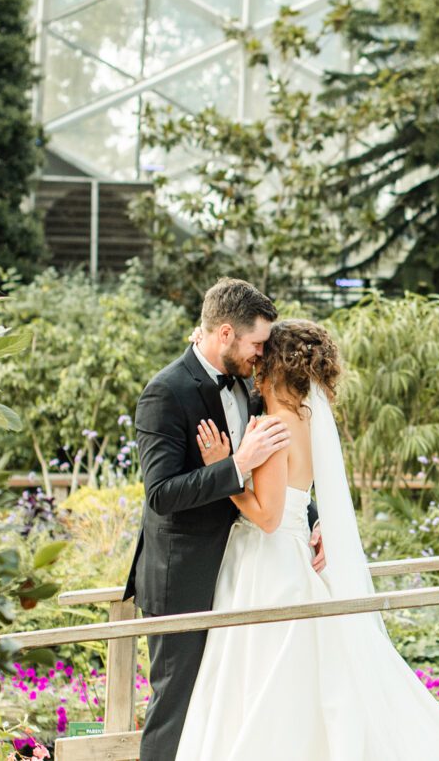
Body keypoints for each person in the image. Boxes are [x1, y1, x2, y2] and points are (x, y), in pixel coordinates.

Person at [173, 318, 439, 760]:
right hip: (293, 554)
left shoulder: (273, 428)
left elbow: (268, 516)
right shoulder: (307, 419)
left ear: (275, 364)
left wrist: (226, 470)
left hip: (268, 562)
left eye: (262, 356)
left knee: (257, 677)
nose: (255, 363)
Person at [122, 279, 324, 761]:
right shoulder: (165, 392)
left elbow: (281, 473)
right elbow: (161, 494)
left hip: (244, 571)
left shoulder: (251, 387)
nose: (263, 354)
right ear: (227, 333)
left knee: (229, 704)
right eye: (257, 344)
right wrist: (233, 466)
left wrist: (312, 519)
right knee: (177, 707)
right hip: (184, 578)